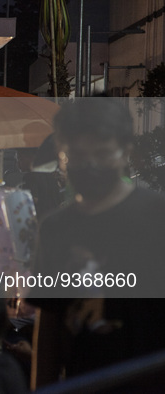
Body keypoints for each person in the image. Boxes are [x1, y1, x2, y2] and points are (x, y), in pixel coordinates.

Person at [30, 98, 165, 389]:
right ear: (62, 155)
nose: (90, 165)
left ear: (124, 152)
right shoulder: (55, 228)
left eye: (102, 154)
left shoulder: (157, 217)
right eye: (77, 155)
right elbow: (49, 326)